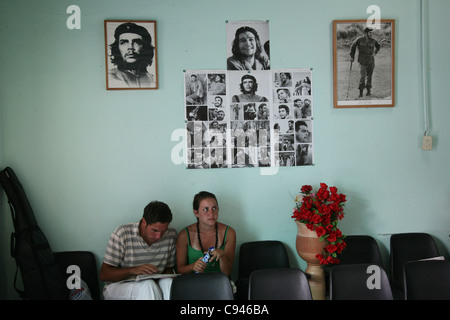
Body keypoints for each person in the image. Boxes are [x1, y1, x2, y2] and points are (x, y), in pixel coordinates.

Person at [100, 201, 177, 300]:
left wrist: (172, 278)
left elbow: (168, 269)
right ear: (144, 222)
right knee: (147, 286)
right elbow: (104, 275)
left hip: (153, 283)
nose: (159, 236)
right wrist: (132, 270)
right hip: (118, 286)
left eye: (163, 231)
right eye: (154, 230)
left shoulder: (171, 234)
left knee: (168, 283)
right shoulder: (122, 233)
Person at [176, 191, 236, 277]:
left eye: (214, 208)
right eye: (205, 209)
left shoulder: (229, 232)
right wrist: (192, 267)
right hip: (194, 283)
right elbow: (180, 270)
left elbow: (227, 272)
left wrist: (222, 256)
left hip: (219, 283)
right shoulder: (185, 235)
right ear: (196, 213)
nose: (211, 213)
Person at [108, 22, 156, 88]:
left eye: (136, 42)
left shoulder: (153, 80)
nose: (130, 47)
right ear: (117, 48)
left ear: (145, 47)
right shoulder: (109, 77)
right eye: (124, 42)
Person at [350, 27, 381, 97]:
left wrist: (375, 53)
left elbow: (378, 46)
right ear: (366, 33)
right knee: (362, 77)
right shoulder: (359, 39)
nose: (371, 34)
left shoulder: (373, 40)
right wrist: (352, 56)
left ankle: (368, 91)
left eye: (372, 33)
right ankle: (361, 93)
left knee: (369, 76)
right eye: (370, 33)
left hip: (371, 61)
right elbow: (353, 46)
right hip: (362, 61)